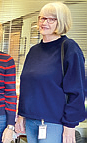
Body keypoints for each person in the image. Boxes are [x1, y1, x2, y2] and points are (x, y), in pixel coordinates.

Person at [15, 2, 85, 143]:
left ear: (61, 22)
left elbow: (78, 90)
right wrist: (21, 115)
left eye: (51, 19)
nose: (44, 22)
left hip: (54, 123)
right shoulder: (33, 51)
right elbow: (27, 86)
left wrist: (70, 125)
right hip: (31, 121)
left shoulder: (69, 49)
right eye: (42, 18)